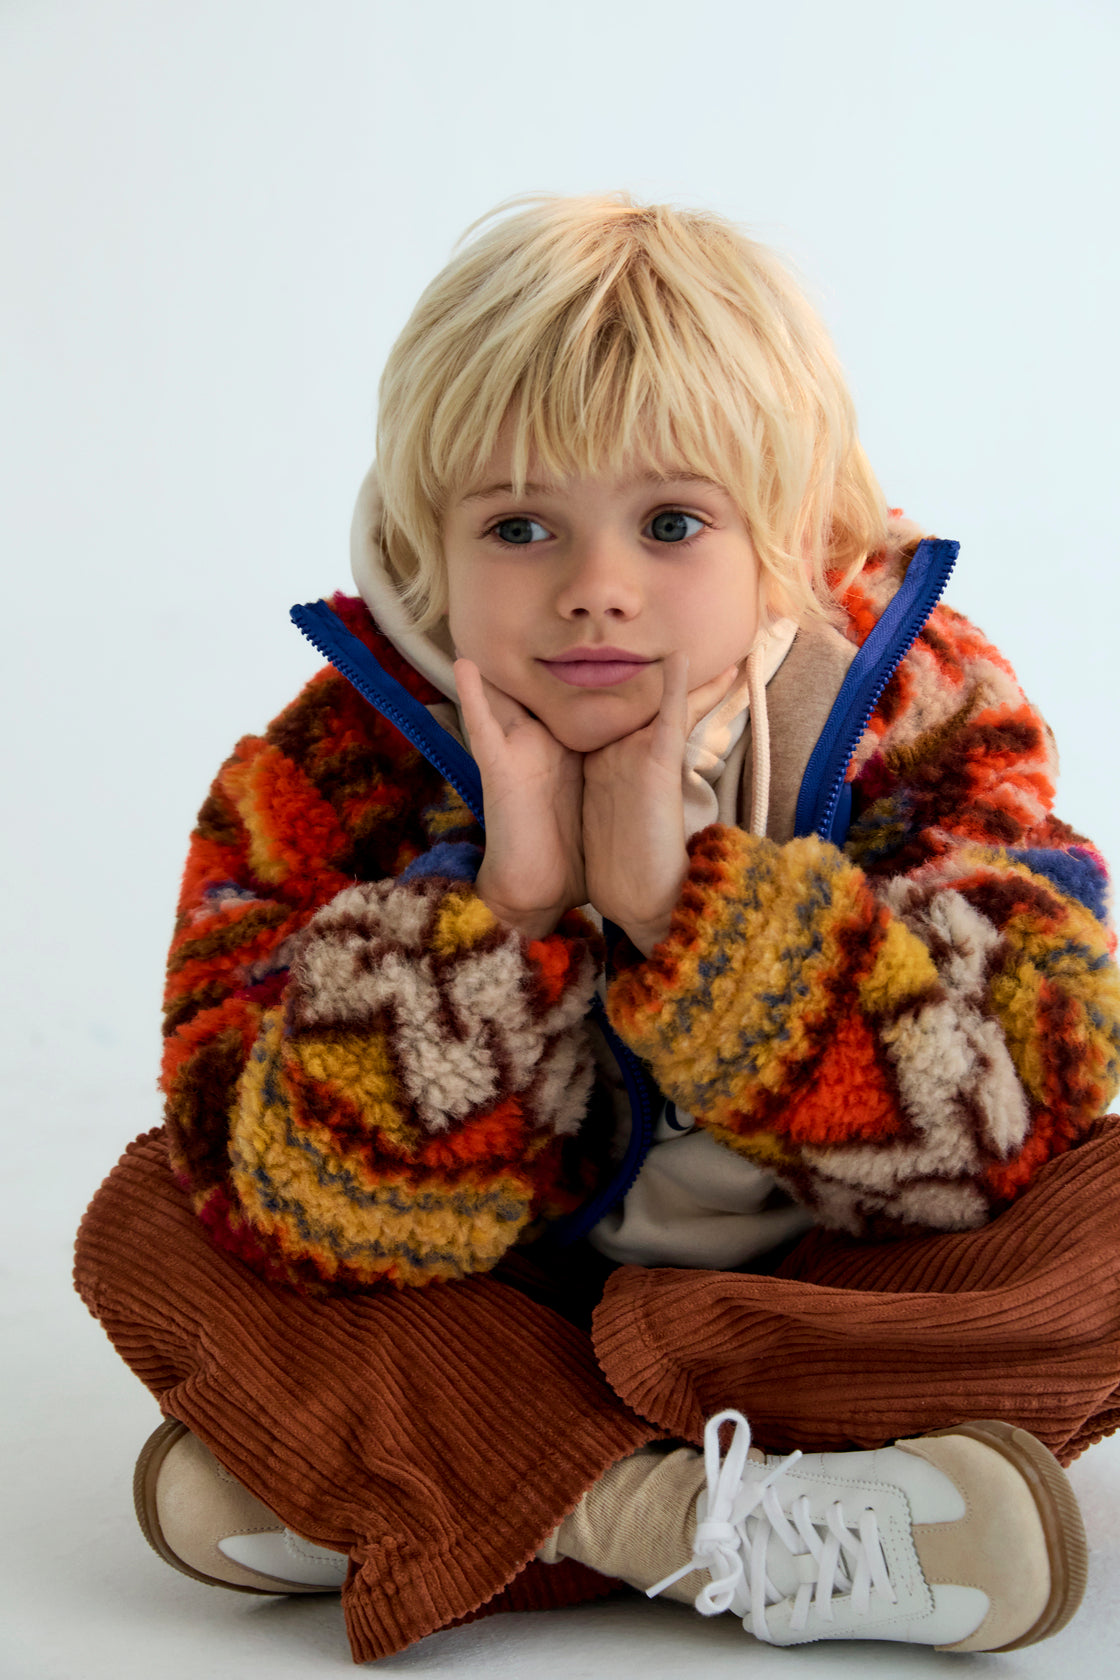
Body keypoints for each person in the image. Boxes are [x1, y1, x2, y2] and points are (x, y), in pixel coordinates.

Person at [74, 192, 1120, 1662]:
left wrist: (685, 909)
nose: (596, 591)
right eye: (520, 528)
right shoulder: (327, 764)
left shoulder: (920, 702)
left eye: (673, 524)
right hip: (510, 1301)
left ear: (788, 535)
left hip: (825, 1308)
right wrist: (497, 916)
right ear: (428, 546)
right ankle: (696, 1524)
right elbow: (291, 1195)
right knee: (157, 1221)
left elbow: (1005, 1116)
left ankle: (423, 1483)